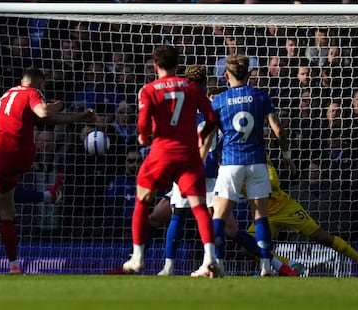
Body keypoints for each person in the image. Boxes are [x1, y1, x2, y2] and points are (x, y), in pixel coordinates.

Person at [0, 67, 95, 274]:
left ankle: (13, 264)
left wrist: (78, 116)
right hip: (18, 150)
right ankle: (45, 194)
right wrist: (58, 104)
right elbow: (44, 112)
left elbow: (45, 119)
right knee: (7, 196)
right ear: (40, 85)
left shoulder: (9, 93)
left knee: (4, 208)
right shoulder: (32, 92)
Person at [122, 45, 218, 277]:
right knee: (199, 206)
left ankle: (137, 257)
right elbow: (213, 117)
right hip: (188, 155)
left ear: (156, 65)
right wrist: (202, 137)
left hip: (161, 153)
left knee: (143, 199)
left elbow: (143, 126)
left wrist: (143, 137)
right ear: (178, 64)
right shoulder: (192, 88)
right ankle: (209, 259)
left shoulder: (149, 90)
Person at [209, 54, 297, 278]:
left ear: (226, 75)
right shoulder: (260, 96)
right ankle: (266, 266)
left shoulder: (219, 100)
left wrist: (213, 155)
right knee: (260, 216)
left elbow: (212, 135)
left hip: (230, 163)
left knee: (219, 215)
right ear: (249, 75)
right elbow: (278, 129)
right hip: (258, 163)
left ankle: (217, 263)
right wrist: (286, 155)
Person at [226, 155, 358, 277]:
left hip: (285, 208)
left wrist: (252, 179)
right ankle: (290, 264)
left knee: (323, 237)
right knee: (248, 247)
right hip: (264, 214)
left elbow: (274, 184)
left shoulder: (259, 156)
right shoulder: (230, 168)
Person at [156, 64, 219, 276]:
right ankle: (211, 262)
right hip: (208, 170)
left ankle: (168, 266)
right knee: (212, 217)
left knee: (178, 216)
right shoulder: (210, 107)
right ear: (204, 83)